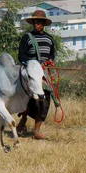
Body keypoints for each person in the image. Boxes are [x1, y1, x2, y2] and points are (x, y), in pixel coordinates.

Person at [16, 9, 55, 140]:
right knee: (28, 100)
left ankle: (36, 131)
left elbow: (52, 55)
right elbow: (21, 56)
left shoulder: (49, 39)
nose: (35, 25)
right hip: (31, 74)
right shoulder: (27, 38)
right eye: (34, 22)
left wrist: (49, 62)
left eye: (38, 23)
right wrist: (34, 64)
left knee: (43, 101)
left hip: (44, 75)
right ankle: (23, 120)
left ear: (43, 24)